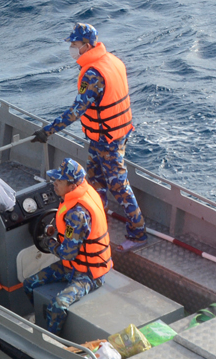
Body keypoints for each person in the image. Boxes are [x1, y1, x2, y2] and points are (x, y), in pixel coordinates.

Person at [30, 22, 149, 250]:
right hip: (114, 132)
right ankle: (97, 219)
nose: (71, 49)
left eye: (74, 44)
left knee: (118, 186)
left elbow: (76, 111)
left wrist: (48, 131)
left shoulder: (93, 75)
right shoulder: (111, 61)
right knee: (95, 180)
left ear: (86, 46)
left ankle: (138, 233)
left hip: (107, 139)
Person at [24, 158, 113, 334]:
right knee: (29, 284)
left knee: (58, 305)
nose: (54, 183)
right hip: (72, 267)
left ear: (72, 186)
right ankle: (41, 319)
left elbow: (68, 253)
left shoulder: (77, 215)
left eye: (59, 181)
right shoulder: (76, 197)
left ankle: (51, 341)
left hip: (88, 274)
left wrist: (49, 243)